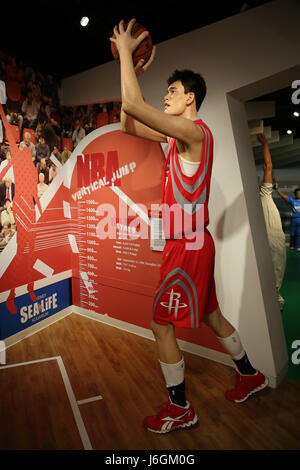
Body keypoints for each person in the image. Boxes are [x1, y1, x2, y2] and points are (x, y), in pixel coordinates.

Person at [111, 19, 268, 434]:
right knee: (213, 316)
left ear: (190, 99)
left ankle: (180, 407)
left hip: (187, 246)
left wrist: (127, 54)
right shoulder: (177, 138)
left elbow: (132, 106)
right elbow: (128, 122)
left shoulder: (194, 133)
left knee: (159, 324)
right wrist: (133, 74)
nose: (166, 97)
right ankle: (250, 375)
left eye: (172, 92)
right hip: (194, 243)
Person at [256, 134, 286, 310]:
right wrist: (265, 144)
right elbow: (268, 166)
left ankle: (272, 298)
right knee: (277, 269)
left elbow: (269, 169)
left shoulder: (263, 198)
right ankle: (275, 298)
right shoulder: (265, 195)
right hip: (273, 239)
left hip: (269, 239)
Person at [276, 187, 300, 251]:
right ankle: (292, 245)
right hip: (294, 220)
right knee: (292, 234)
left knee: (299, 234)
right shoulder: (292, 201)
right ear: (295, 194)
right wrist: (277, 191)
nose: (299, 194)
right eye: (297, 193)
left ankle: (298, 246)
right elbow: (284, 197)